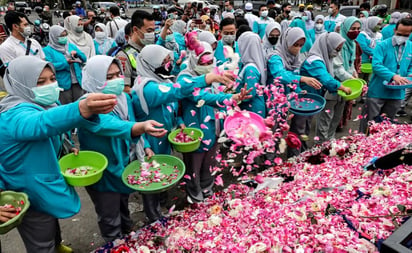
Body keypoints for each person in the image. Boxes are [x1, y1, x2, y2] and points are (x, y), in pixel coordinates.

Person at [0, 55, 118, 253]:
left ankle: (56, 244)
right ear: (21, 83)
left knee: (50, 223)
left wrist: (67, 147)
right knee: (40, 235)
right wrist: (81, 108)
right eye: (40, 82)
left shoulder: (43, 104)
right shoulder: (13, 115)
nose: (50, 85)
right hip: (28, 189)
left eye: (52, 79)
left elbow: (51, 133)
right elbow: (41, 124)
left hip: (44, 183)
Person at [131, 44, 235, 221]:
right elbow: (177, 91)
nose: (168, 64)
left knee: (160, 175)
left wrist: (178, 121)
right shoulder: (147, 87)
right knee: (151, 181)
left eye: (168, 60)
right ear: (150, 63)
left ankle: (160, 208)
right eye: (163, 61)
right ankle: (154, 217)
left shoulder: (160, 79)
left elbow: (174, 107)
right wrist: (206, 79)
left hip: (162, 136)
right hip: (150, 140)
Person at [79, 55, 167, 242]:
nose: (117, 80)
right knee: (109, 214)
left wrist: (147, 146)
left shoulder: (123, 98)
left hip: (125, 163)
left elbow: (133, 121)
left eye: (119, 74)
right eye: (109, 77)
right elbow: (109, 125)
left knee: (123, 203)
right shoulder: (87, 106)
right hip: (105, 169)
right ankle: (114, 242)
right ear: (95, 79)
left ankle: (128, 235)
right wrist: (140, 128)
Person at [177, 40, 249, 203]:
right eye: (204, 62)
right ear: (194, 60)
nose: (208, 65)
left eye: (211, 62)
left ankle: (207, 188)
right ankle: (195, 195)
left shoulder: (215, 74)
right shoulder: (185, 79)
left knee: (209, 162)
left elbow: (218, 92)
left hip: (213, 125)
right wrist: (230, 98)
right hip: (195, 128)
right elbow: (202, 97)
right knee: (194, 164)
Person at [295, 32, 351, 156]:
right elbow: (325, 78)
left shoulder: (325, 57)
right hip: (306, 99)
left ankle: (308, 150)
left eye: (339, 49)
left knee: (307, 127)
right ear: (328, 46)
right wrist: (341, 87)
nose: (337, 52)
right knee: (302, 128)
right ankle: (302, 153)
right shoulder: (314, 61)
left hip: (314, 98)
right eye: (336, 49)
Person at [360, 18, 412, 133]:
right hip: (377, 91)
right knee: (370, 123)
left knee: (387, 126)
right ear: (394, 30)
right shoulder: (382, 45)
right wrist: (393, 76)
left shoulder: (410, 47)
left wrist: (409, 74)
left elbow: (411, 65)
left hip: (397, 93)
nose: (402, 37)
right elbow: (376, 65)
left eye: (406, 35)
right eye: (399, 34)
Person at [316, 17, 361, 143]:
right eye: (353, 29)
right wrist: (351, 79)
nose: (356, 31)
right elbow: (337, 69)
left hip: (345, 85)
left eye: (358, 29)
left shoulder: (351, 44)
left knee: (337, 117)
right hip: (332, 86)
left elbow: (351, 63)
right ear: (345, 28)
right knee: (326, 118)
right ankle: (320, 145)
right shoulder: (336, 43)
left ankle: (330, 141)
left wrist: (354, 74)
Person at [43, 25, 86, 105]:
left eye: (65, 35)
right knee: (66, 106)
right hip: (63, 83)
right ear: (54, 37)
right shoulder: (47, 50)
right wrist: (65, 63)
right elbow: (49, 66)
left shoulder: (70, 46)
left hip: (77, 81)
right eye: (61, 36)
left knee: (80, 104)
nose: (64, 38)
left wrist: (77, 54)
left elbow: (84, 58)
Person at [115, 10, 155, 91]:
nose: (152, 34)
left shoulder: (151, 50)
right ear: (135, 30)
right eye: (149, 31)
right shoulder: (123, 55)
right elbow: (125, 89)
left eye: (154, 30)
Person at [237, 32, 267, 117]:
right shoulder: (250, 65)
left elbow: (249, 94)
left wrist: (233, 95)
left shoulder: (251, 69)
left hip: (252, 111)